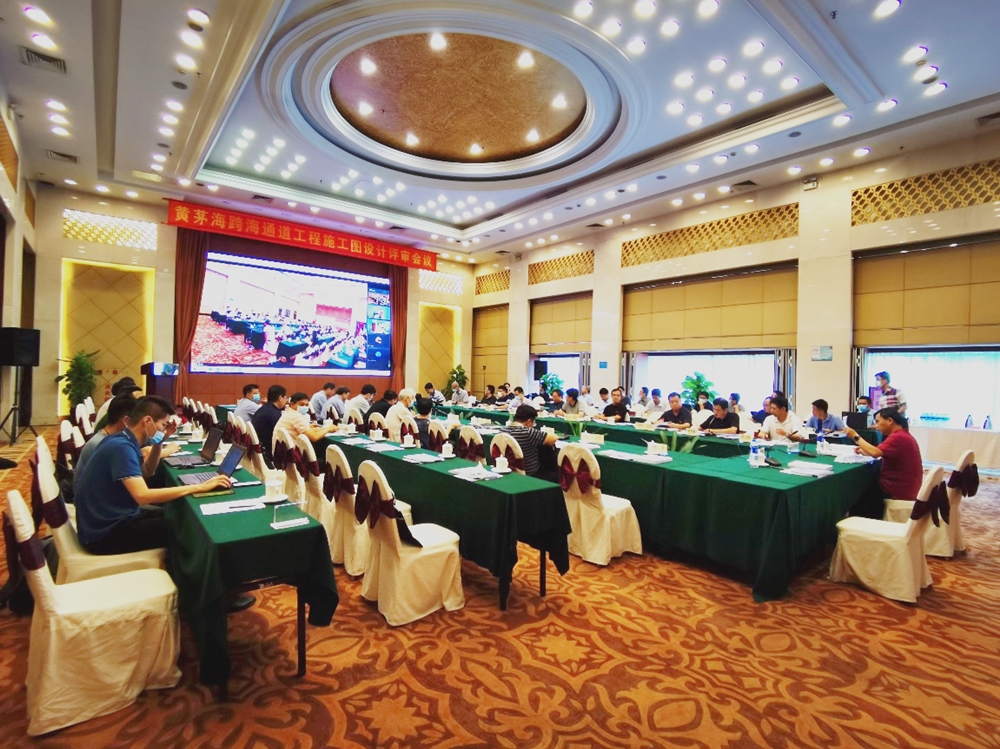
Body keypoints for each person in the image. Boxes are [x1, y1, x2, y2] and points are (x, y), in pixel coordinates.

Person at [74, 396, 230, 555]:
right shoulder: (122, 448)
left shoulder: (123, 439)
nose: (164, 430)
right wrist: (199, 487)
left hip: (109, 519)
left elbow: (148, 471)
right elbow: (143, 496)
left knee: (175, 514)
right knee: (185, 529)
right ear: (147, 421)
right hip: (104, 535)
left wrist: (159, 442)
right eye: (163, 425)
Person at [846, 408, 923, 513]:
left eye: (878, 421)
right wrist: (865, 451)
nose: (876, 426)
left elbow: (875, 452)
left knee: (857, 490)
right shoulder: (903, 435)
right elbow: (879, 452)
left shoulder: (898, 437)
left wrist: (855, 436)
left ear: (890, 421)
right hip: (905, 486)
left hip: (896, 490)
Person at [502, 404, 559, 480]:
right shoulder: (528, 432)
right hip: (531, 473)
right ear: (529, 422)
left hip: (508, 470)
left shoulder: (503, 431)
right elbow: (554, 438)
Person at [251, 384, 288, 467]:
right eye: (285, 398)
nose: (286, 400)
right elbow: (280, 436)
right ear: (280, 398)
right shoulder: (274, 414)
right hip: (268, 452)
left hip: (258, 449)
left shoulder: (264, 409)